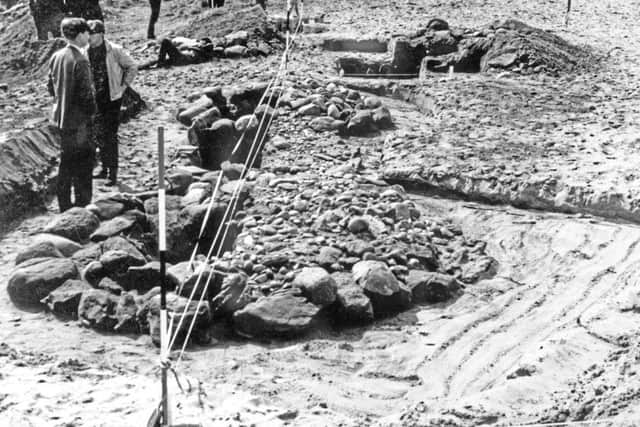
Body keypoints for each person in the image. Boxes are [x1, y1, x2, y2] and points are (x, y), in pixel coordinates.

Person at [47, 17, 96, 212]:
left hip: (60, 117)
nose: (88, 37)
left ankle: (64, 205)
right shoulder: (81, 60)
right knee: (84, 161)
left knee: (66, 161)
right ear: (80, 34)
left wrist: (61, 100)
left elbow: (50, 87)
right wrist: (92, 114)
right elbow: (86, 95)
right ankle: (82, 205)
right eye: (86, 33)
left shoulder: (57, 56)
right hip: (79, 120)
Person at [86, 20, 138, 186]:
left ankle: (113, 173)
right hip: (94, 99)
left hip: (112, 98)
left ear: (101, 33)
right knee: (98, 134)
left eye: (92, 33)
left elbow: (132, 67)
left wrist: (123, 87)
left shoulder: (114, 50)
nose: (89, 37)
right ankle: (103, 168)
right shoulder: (84, 51)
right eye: (88, 33)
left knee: (110, 135)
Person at [141, 37, 215, 68]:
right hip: (181, 59)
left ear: (205, 43)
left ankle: (160, 63)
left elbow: (210, 47)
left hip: (183, 59)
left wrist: (204, 45)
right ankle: (139, 67)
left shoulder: (204, 49)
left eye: (202, 41)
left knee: (165, 41)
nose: (199, 42)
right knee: (152, 62)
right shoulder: (197, 47)